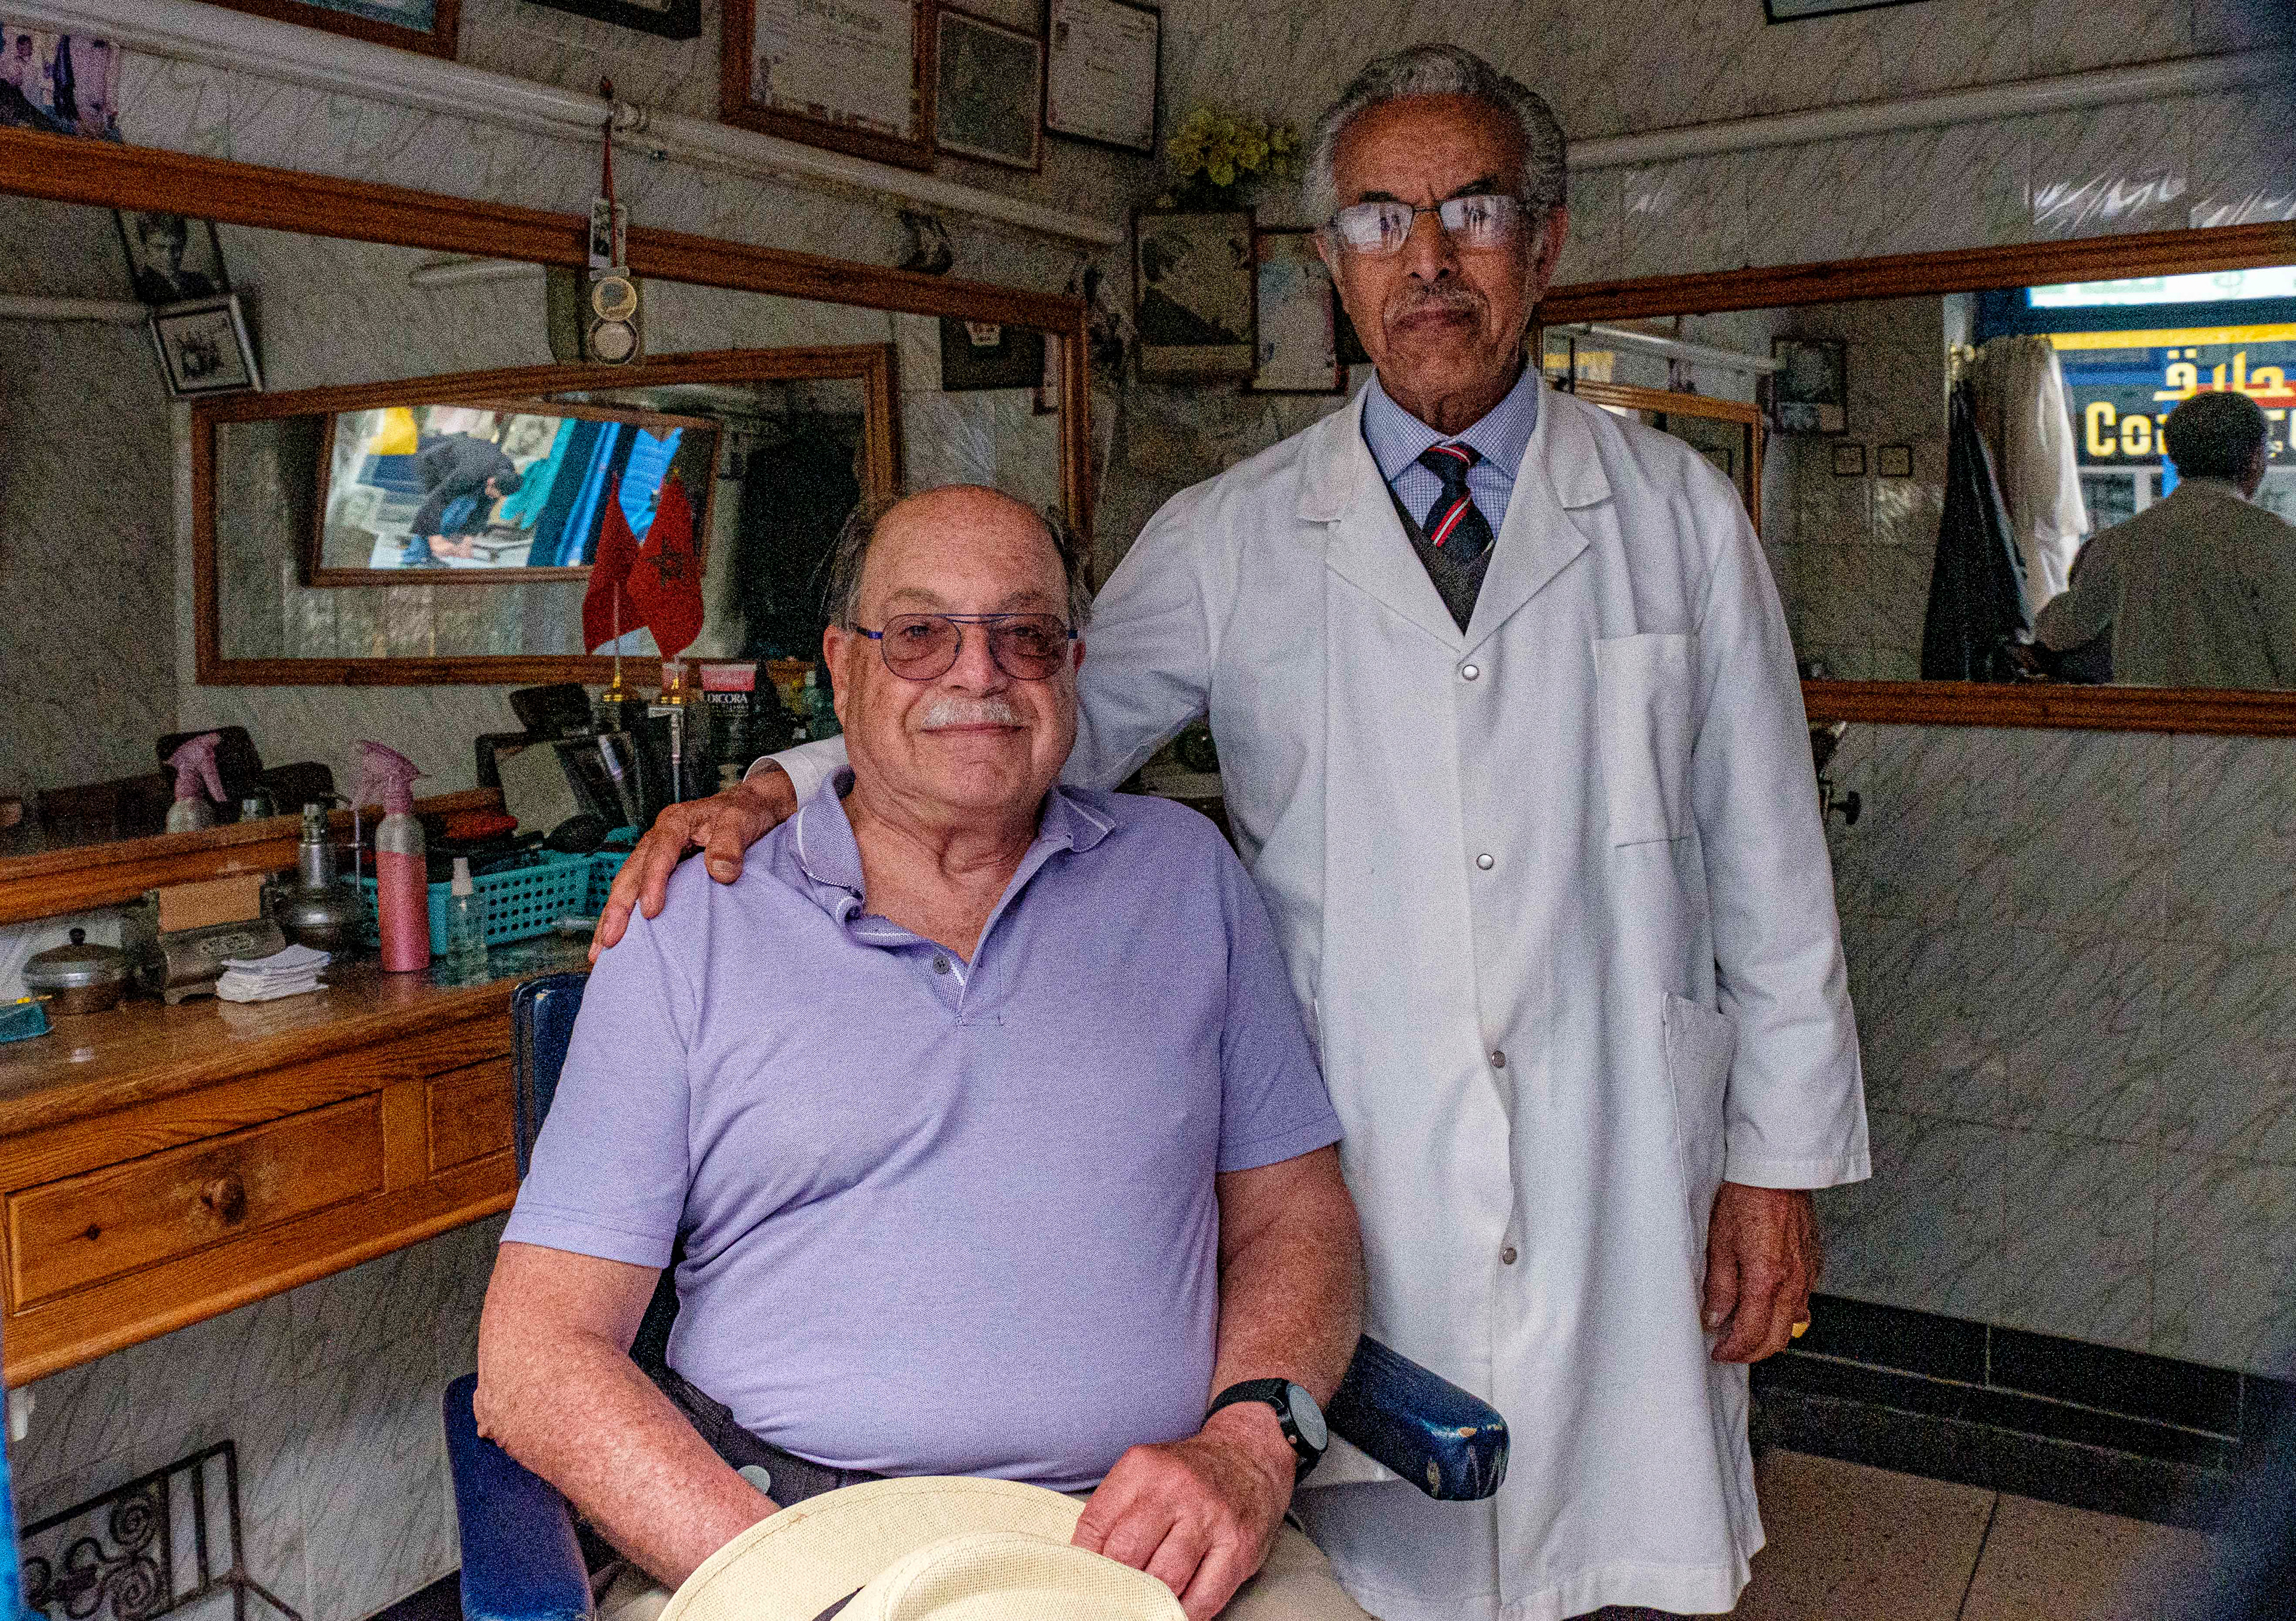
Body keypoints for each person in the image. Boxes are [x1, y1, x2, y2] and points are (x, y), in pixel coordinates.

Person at [594, 45, 1868, 1621]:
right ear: (1331, 268)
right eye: (1380, 221)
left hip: (1619, 1121)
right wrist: (782, 784)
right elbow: (1023, 708)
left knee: (1608, 1548)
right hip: (1364, 1128)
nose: (1428, 260)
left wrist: (1776, 1163)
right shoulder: (1234, 534)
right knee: (1363, 1547)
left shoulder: (1681, 516)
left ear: (1544, 246)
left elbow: (1770, 856)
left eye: (1472, 213)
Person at [478, 484, 1372, 1621]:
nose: (977, 673)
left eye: (1024, 634)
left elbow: (1298, 1213)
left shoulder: (1184, 877)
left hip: (1149, 1540)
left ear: (1074, 666)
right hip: (774, 1532)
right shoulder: (692, 920)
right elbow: (538, 1354)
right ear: (841, 671)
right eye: (920, 635)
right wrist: (801, 1587)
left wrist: (1250, 1442)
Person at [2034, 390, 2296, 689]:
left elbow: (2058, 631)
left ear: (2172, 456)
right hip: (2248, 730)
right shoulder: (2276, 541)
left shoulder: (2119, 543)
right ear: (2255, 458)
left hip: (2146, 729)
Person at [402, 429, 522, 566]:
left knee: (464, 509)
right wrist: (435, 539)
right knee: (450, 513)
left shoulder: (506, 474)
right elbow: (435, 502)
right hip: (434, 465)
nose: (496, 497)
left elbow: (484, 509)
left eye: (500, 496)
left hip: (469, 466)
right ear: (491, 482)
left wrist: (467, 542)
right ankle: (414, 558)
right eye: (496, 493)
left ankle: (427, 554)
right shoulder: (469, 474)